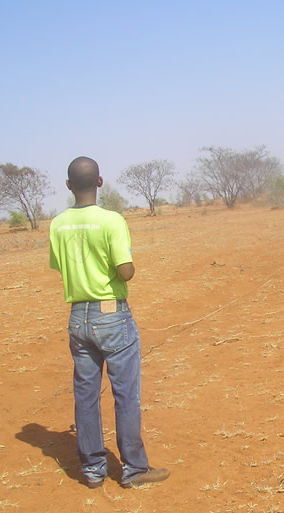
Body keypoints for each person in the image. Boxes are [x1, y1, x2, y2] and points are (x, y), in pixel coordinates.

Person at [49, 156, 170, 489]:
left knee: (86, 395)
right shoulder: (112, 220)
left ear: (69, 186)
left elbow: (59, 267)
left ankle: (92, 470)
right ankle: (133, 468)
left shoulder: (57, 224)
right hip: (111, 313)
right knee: (125, 395)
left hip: (78, 315)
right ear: (99, 182)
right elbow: (126, 270)